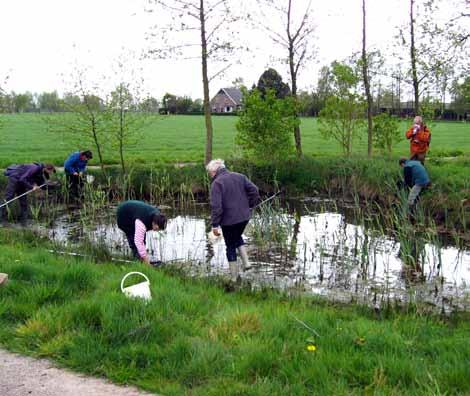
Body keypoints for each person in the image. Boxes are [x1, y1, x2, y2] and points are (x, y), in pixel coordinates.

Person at [206, 159, 260, 281]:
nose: (210, 176)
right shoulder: (240, 176)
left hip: (229, 221)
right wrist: (250, 205)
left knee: (230, 245)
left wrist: (215, 225)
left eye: (210, 173)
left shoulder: (217, 183)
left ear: (215, 171)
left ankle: (234, 278)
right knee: (236, 236)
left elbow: (216, 207)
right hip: (244, 217)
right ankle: (247, 264)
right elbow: (255, 191)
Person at [116, 200, 167, 265]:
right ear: (154, 223)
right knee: (134, 241)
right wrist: (146, 260)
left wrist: (144, 254)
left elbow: (142, 237)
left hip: (134, 211)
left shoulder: (158, 216)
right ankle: (138, 261)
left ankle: (141, 259)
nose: (158, 230)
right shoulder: (142, 223)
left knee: (142, 241)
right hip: (124, 215)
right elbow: (138, 241)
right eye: (157, 228)